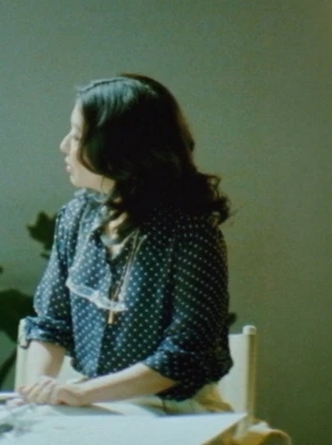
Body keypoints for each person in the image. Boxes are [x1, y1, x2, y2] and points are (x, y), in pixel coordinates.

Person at [17, 74, 234, 414]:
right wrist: (38, 394)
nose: (64, 145)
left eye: (77, 136)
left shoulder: (190, 233)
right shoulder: (76, 217)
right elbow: (51, 324)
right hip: (93, 404)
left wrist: (83, 393)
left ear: (119, 149)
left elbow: (185, 355)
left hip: (173, 411)